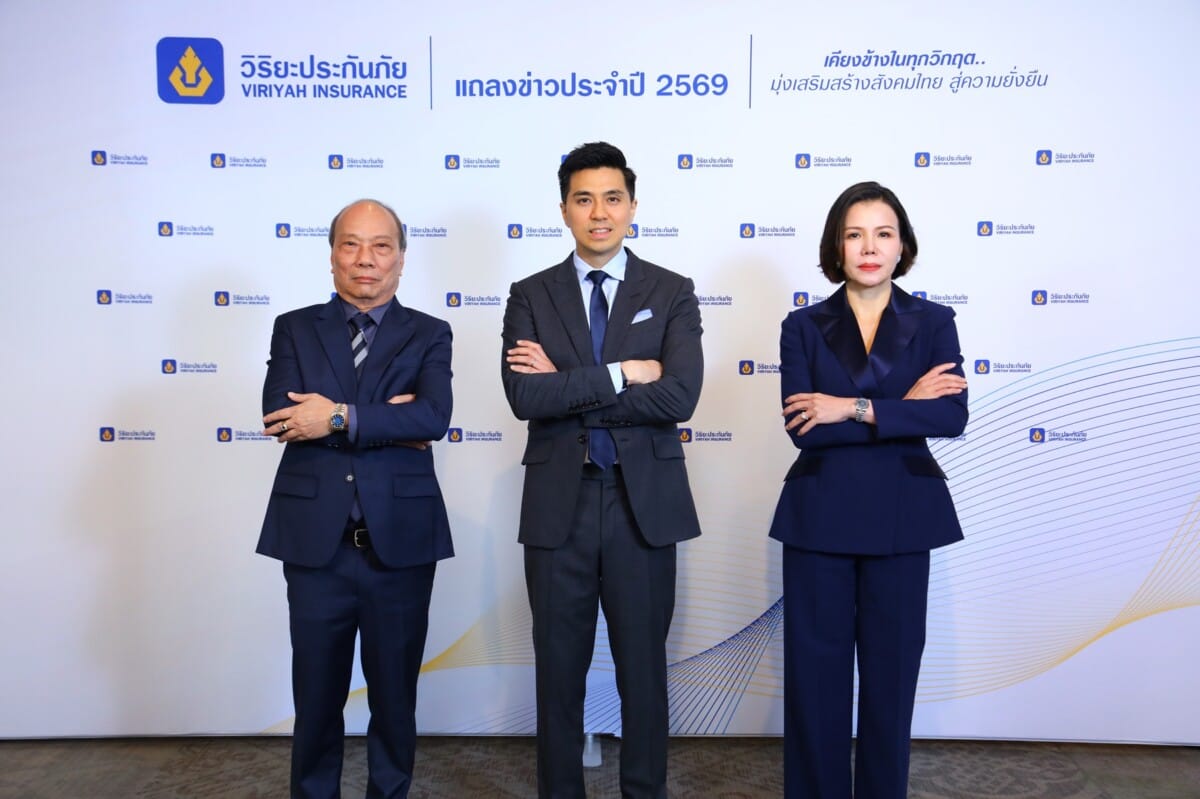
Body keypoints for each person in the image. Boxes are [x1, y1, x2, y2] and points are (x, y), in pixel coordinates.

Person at [501, 141, 704, 799]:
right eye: (584, 199)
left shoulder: (671, 292)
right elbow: (525, 396)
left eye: (612, 198)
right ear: (563, 209)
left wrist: (569, 384)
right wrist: (624, 372)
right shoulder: (530, 295)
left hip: (642, 505)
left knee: (643, 671)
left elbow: (678, 397)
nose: (599, 213)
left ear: (632, 207)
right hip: (558, 506)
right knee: (558, 672)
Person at [769, 181, 968, 799]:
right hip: (819, 518)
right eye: (855, 234)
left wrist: (851, 406)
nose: (869, 247)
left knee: (891, 683)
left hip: (904, 519)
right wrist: (901, 406)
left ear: (903, 244)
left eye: (883, 234)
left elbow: (951, 417)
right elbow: (805, 428)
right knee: (815, 685)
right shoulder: (802, 325)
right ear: (837, 246)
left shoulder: (934, 321)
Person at [257, 198, 454, 799]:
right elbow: (282, 416)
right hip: (316, 546)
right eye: (351, 244)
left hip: (400, 544)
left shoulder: (430, 332)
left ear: (401, 258)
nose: (365, 259)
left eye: (381, 246)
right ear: (333, 255)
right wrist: (386, 420)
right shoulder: (295, 327)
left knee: (395, 699)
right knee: (316, 698)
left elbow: (433, 417)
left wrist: (337, 414)